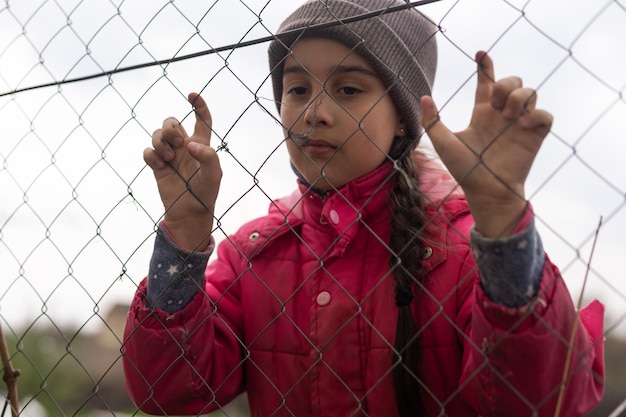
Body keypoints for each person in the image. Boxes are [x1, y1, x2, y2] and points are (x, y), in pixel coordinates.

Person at [122, 0, 605, 416]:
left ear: (403, 118)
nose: (315, 112)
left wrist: (503, 229)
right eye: (297, 89)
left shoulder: (462, 248)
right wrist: (184, 237)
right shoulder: (254, 255)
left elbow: (539, 400)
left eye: (348, 89)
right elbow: (169, 390)